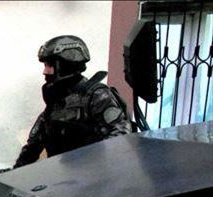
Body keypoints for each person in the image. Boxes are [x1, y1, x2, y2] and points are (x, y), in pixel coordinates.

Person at [15, 35, 131, 167]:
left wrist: (93, 165)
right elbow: (33, 146)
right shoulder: (56, 101)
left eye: (49, 65)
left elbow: (120, 136)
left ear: (66, 65)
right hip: (60, 176)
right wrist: (13, 173)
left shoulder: (96, 95)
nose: (45, 71)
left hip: (93, 175)